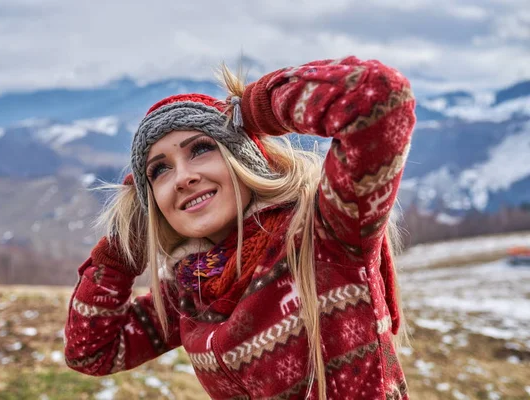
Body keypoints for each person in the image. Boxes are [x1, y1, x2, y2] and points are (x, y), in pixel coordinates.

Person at [64, 55, 416, 399]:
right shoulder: (191, 291)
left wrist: (256, 111)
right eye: (160, 170)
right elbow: (92, 352)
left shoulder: (324, 233)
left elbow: (378, 94)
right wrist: (124, 244)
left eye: (201, 148)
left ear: (243, 158)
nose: (184, 177)